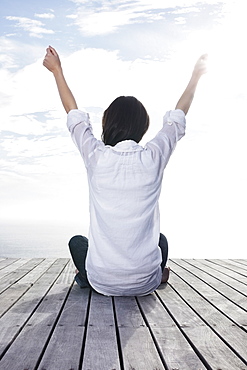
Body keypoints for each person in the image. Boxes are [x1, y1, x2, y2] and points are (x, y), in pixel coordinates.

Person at [43, 46, 207, 296]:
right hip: (146, 282)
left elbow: (74, 115)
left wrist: (57, 71)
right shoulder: (154, 156)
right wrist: (195, 77)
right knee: (160, 241)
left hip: (103, 282)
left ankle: (85, 277)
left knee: (77, 243)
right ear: (143, 127)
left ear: (108, 123)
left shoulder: (96, 157)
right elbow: (178, 116)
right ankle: (157, 273)